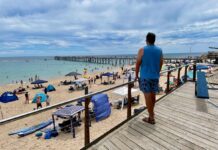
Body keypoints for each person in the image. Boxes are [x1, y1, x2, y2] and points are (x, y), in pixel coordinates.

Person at [135, 32, 163, 124]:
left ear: (146, 40)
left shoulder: (142, 50)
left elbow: (138, 64)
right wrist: (157, 71)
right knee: (153, 96)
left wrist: (136, 75)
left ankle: (151, 117)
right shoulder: (159, 50)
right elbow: (161, 62)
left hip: (145, 77)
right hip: (155, 76)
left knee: (147, 97)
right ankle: (151, 114)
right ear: (154, 40)